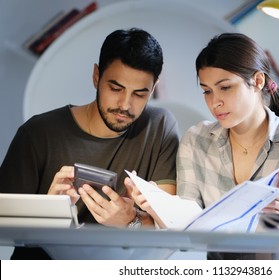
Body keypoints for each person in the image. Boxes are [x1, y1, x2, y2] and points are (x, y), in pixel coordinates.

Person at [0, 28, 179, 259]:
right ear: (96, 76)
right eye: (115, 88)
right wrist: (48, 213)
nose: (125, 105)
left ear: (153, 90)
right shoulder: (37, 133)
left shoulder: (160, 126)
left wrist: (130, 221)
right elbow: (5, 226)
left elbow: (168, 226)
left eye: (139, 94)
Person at [175, 32, 279, 259]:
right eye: (207, 91)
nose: (214, 102)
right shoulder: (196, 140)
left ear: (258, 81)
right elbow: (187, 224)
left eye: (225, 87)